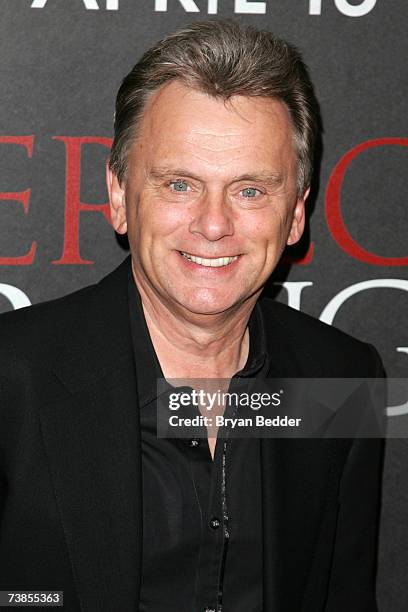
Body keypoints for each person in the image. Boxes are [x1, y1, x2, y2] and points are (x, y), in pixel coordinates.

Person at [0, 20, 385, 612]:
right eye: (179, 184)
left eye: (251, 190)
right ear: (120, 197)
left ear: (297, 215)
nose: (213, 224)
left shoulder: (343, 378)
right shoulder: (12, 376)